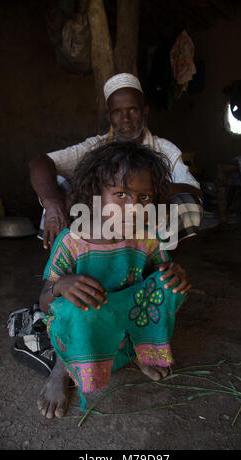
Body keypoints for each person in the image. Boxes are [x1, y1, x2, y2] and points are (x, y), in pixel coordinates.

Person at [37, 141, 192, 419]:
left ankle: (143, 351)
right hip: (86, 328)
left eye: (144, 197)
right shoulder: (73, 242)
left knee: (170, 286)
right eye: (121, 194)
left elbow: (161, 278)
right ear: (96, 193)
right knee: (72, 307)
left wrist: (174, 276)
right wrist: (60, 286)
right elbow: (46, 305)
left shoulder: (147, 238)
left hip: (125, 321)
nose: (134, 207)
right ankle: (62, 368)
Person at [29, 73, 202, 252]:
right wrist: (52, 203)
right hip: (100, 226)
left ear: (145, 112)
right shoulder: (95, 146)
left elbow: (195, 191)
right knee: (57, 184)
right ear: (109, 117)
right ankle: (70, 261)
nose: (125, 119)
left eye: (133, 110)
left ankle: (158, 263)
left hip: (146, 222)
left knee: (189, 204)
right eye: (117, 112)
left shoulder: (164, 149)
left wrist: (157, 191)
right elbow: (40, 163)